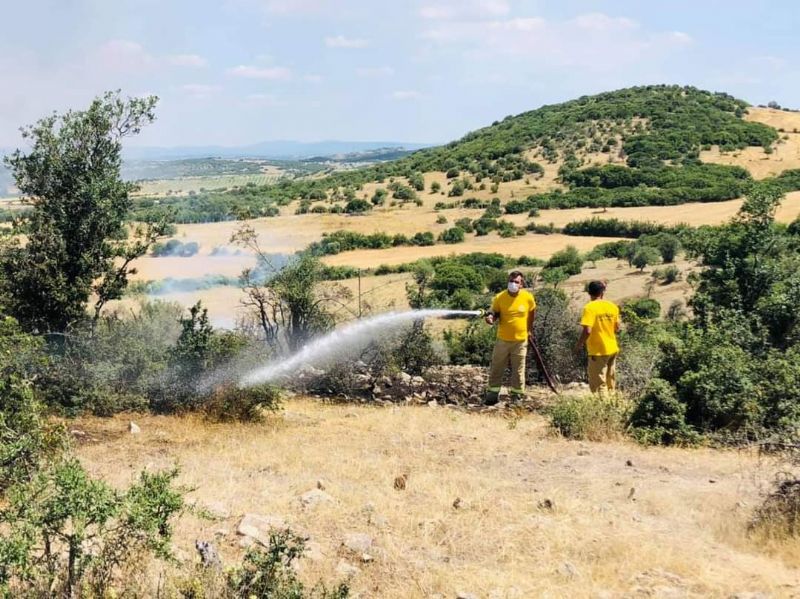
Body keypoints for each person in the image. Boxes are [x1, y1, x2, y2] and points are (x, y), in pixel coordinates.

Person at [484, 270, 537, 405]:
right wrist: (490, 318)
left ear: (521, 284)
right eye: (511, 281)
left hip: (520, 340)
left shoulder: (528, 298)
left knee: (518, 369)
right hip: (502, 340)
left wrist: (529, 330)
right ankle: (492, 394)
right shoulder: (500, 297)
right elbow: (494, 312)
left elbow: (532, 313)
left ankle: (516, 396)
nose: (513, 284)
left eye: (516, 282)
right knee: (497, 366)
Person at [574, 280, 620, 397]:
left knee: (599, 383)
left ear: (589, 292)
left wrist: (578, 345)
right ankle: (613, 405)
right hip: (612, 348)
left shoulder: (589, 308)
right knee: (610, 381)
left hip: (598, 351)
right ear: (602, 292)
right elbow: (617, 328)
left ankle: (602, 410)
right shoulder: (612, 306)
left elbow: (587, 330)